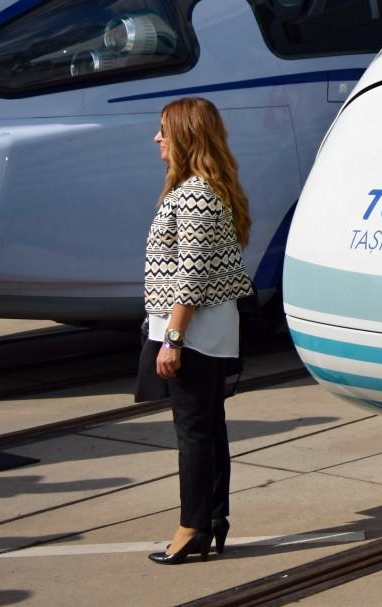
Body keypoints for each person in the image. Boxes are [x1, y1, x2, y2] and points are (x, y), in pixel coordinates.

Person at [143, 97, 253, 565]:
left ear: (186, 137)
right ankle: (211, 519)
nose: (157, 138)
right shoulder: (210, 189)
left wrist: (172, 339)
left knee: (194, 433)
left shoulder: (194, 195)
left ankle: (192, 526)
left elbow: (190, 274)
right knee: (208, 429)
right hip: (208, 329)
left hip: (194, 333)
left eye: (164, 130)